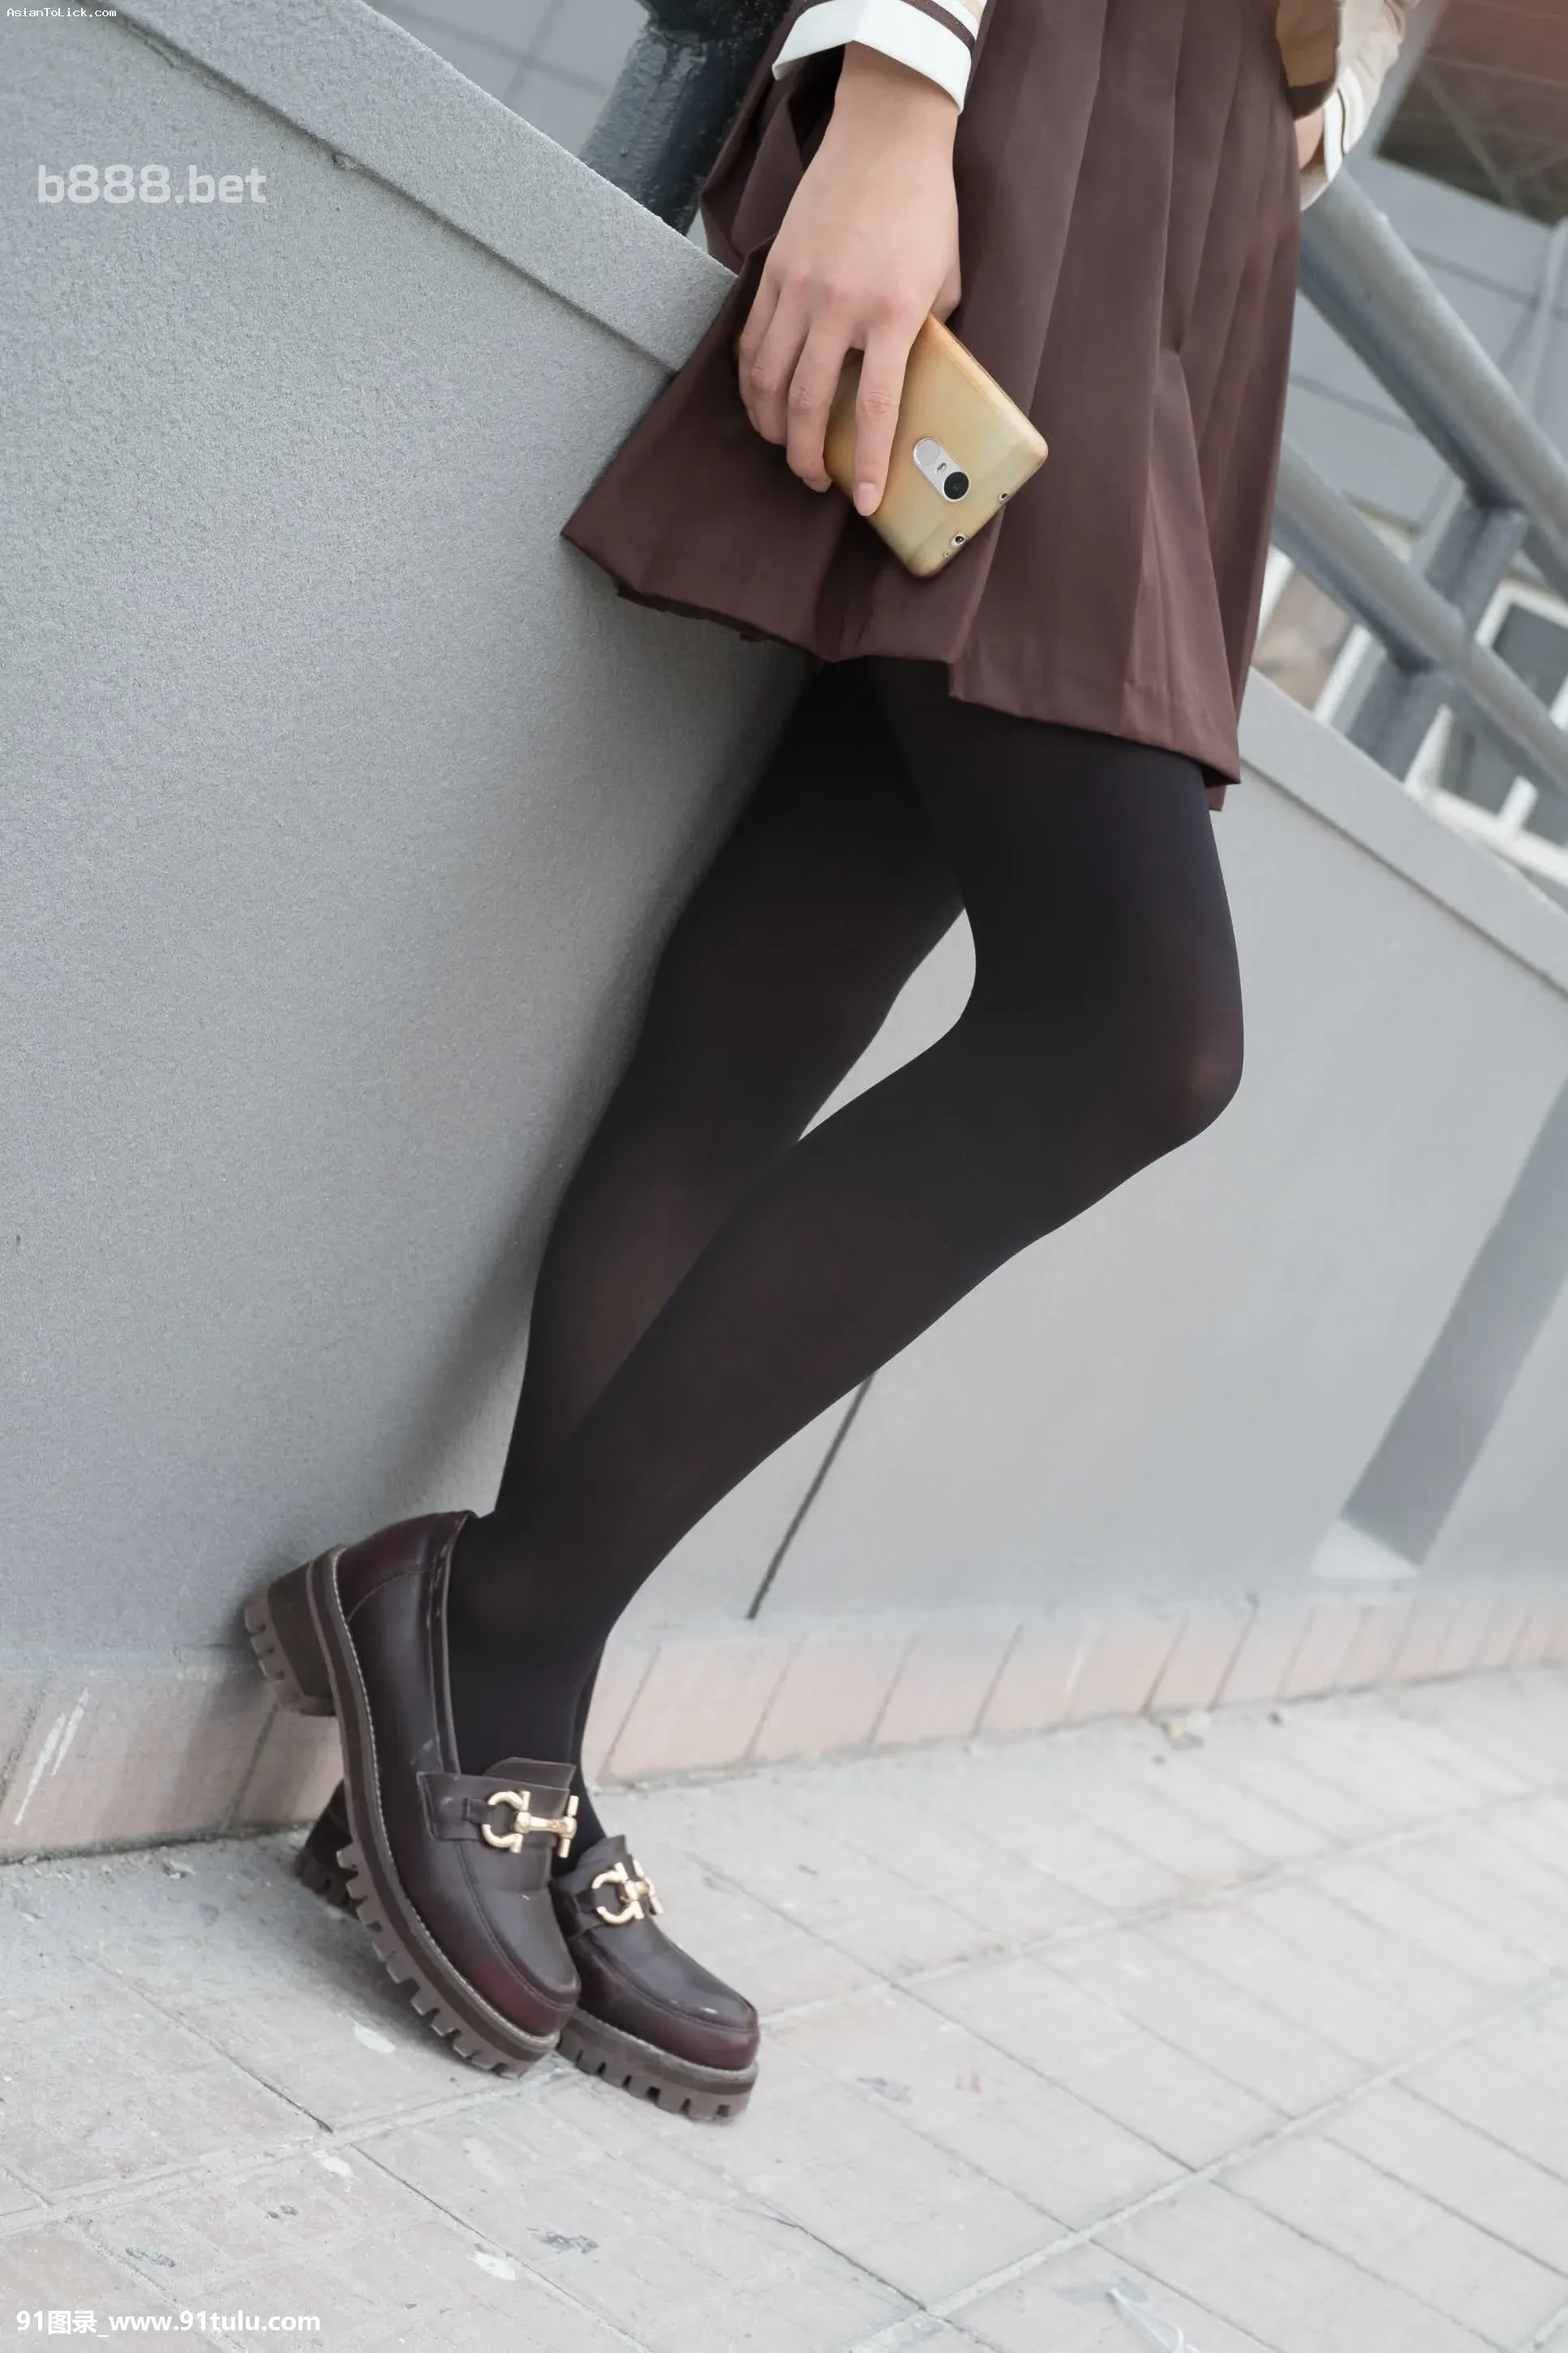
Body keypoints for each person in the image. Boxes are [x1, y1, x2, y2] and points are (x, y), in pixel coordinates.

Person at [246, 0, 1415, 2119]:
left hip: (1211, 184)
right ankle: (487, 1615)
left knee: (780, 1006)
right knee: (1138, 1027)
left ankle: (520, 1725)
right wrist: (896, 86)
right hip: (1046, 88)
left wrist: (1287, 131)